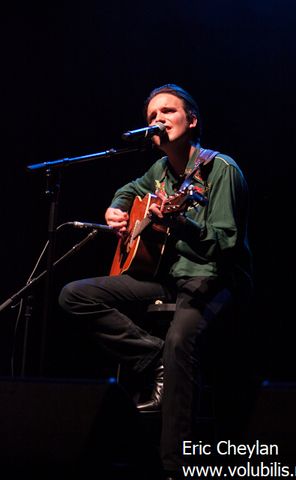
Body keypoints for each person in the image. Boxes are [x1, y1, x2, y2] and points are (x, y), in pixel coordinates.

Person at [59, 84, 253, 480]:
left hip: (215, 280)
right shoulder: (160, 171)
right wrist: (118, 206)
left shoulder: (221, 169)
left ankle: (174, 467)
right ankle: (152, 357)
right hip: (170, 279)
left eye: (167, 112)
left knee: (181, 341)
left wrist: (183, 223)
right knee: (75, 295)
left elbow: (226, 244)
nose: (157, 120)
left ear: (192, 120)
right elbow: (132, 190)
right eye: (151, 117)